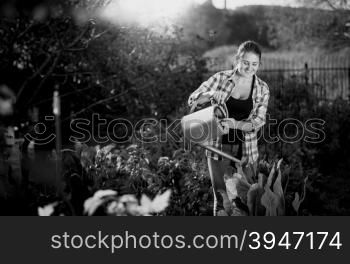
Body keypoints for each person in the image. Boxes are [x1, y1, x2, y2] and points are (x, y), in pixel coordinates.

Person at [187, 41, 270, 215]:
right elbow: (192, 100)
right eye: (246, 63)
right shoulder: (220, 78)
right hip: (218, 146)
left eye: (254, 64)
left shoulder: (262, 88)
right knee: (222, 199)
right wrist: (209, 94)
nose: (249, 68)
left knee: (246, 201)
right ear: (237, 60)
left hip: (247, 151)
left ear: (259, 64)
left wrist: (235, 124)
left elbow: (258, 121)